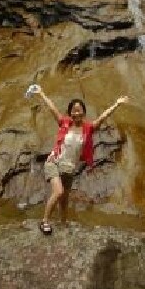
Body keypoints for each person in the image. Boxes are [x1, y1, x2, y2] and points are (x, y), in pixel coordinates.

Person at [30, 87, 129, 234]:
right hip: (54, 162)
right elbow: (52, 108)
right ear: (70, 113)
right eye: (74, 110)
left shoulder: (89, 128)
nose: (77, 113)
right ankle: (44, 221)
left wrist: (117, 103)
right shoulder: (64, 122)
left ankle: (63, 223)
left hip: (69, 169)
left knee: (64, 199)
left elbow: (102, 117)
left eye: (79, 110)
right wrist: (41, 93)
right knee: (58, 192)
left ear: (84, 112)